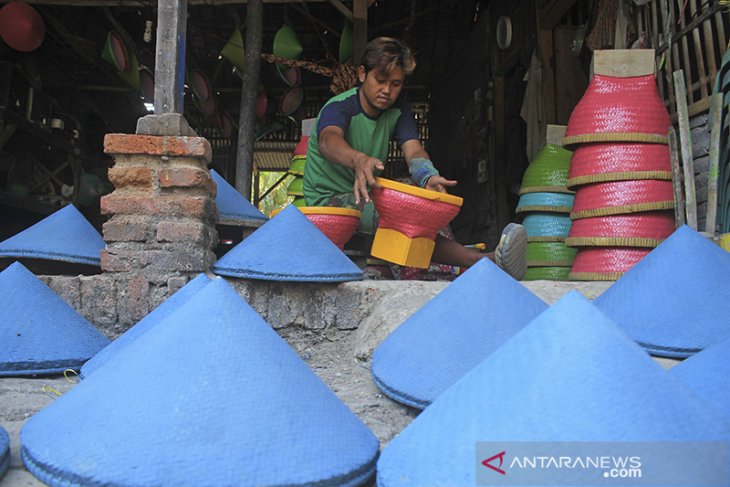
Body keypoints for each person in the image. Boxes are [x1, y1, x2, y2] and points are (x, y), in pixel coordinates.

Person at [302, 37, 526, 279]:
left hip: (366, 198)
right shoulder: (340, 107)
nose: (387, 90)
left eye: (396, 83)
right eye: (380, 80)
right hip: (327, 204)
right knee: (396, 214)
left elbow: (414, 150)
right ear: (362, 74)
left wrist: (427, 175)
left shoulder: (398, 110)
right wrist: (358, 159)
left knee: (421, 198)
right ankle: (465, 263)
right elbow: (328, 141)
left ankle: (483, 261)